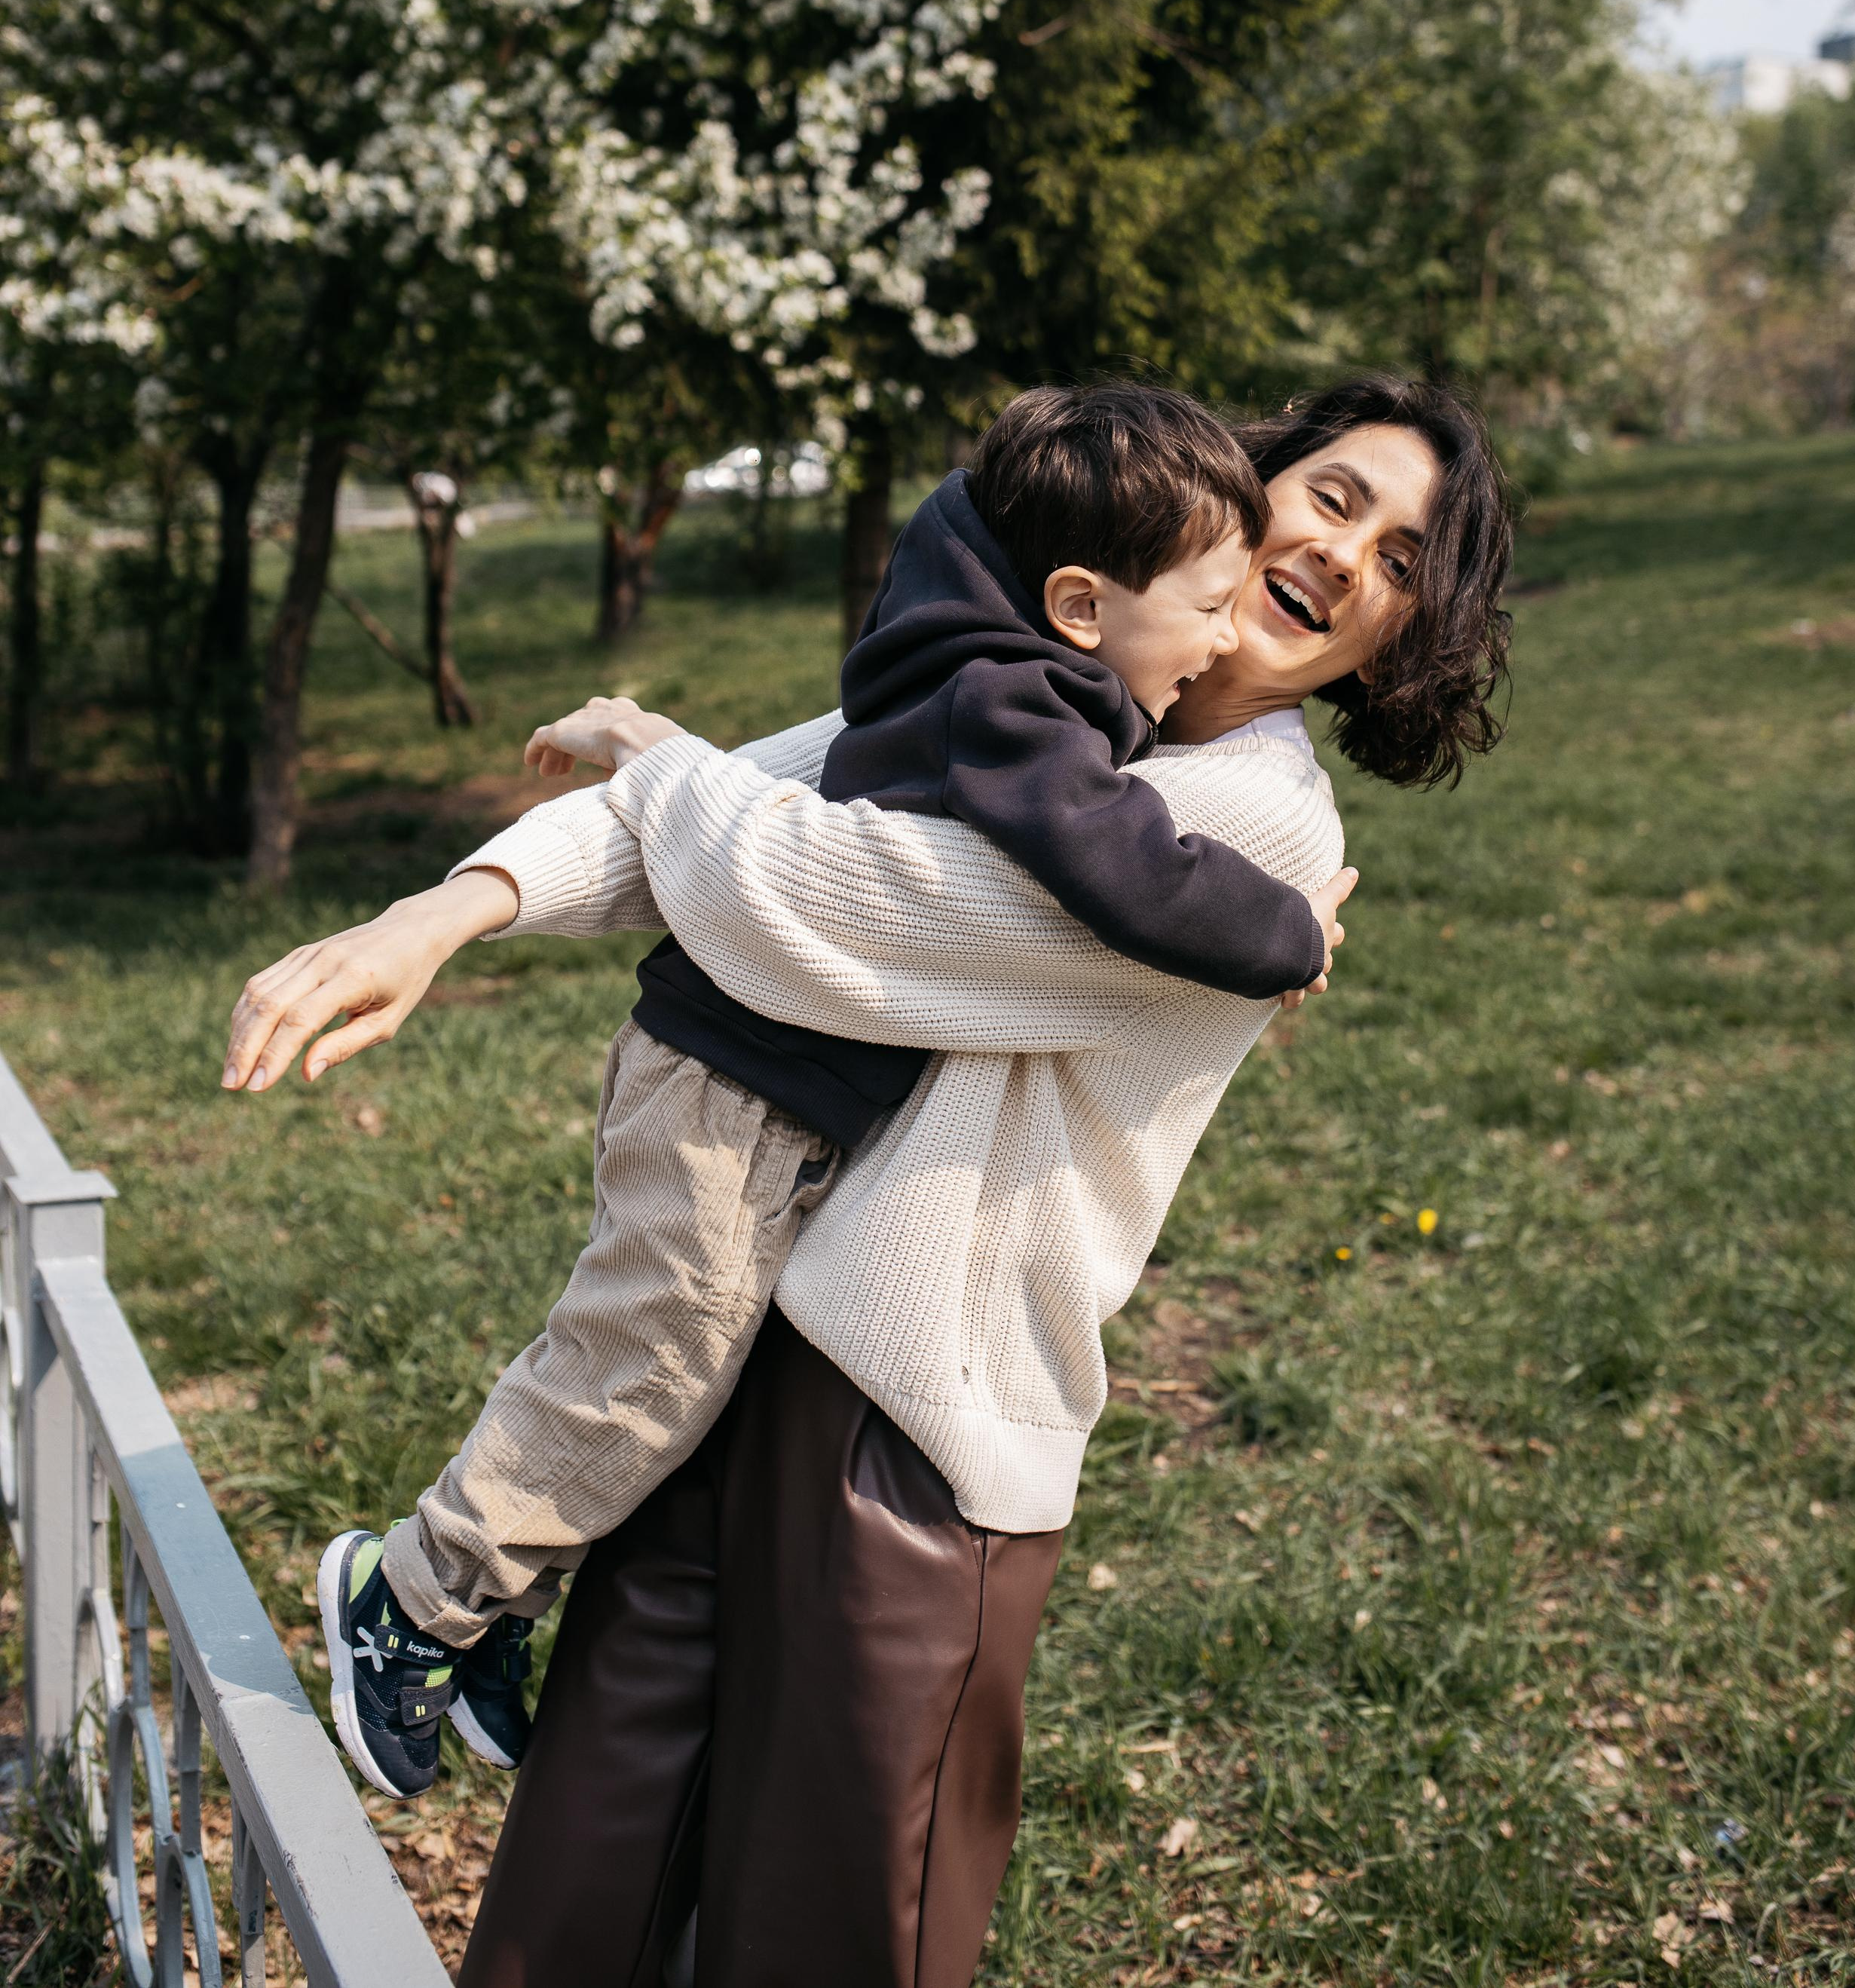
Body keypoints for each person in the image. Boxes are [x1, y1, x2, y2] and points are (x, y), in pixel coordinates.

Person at [226, 374, 1513, 1988]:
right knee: (580, 1906)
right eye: (1334, 497)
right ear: (1253, 491)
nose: (1346, 553)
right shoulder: (1049, 692)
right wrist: (447, 906)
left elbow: (804, 890)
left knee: (817, 1940)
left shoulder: (1242, 837)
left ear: (1397, 646)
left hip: (904, 1441)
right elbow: (740, 803)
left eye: (1402, 559)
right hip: (730, 1361)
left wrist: (650, 749)